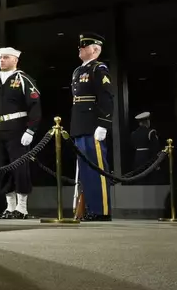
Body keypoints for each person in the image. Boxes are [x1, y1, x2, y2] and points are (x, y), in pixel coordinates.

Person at [0, 47, 41, 219]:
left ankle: (22, 208)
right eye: (0, 58)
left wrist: (31, 129)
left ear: (15, 60)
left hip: (18, 129)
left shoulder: (23, 79)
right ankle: (10, 207)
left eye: (6, 57)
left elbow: (35, 106)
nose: (2, 60)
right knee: (3, 168)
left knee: (20, 168)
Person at [70, 33, 114, 221]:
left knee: (97, 169)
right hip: (80, 123)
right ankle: (90, 208)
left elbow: (106, 96)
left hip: (93, 123)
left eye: (84, 45)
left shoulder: (99, 69)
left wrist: (104, 123)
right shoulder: (78, 71)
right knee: (85, 170)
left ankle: (101, 210)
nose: (80, 48)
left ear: (95, 49)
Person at [130, 112, 161, 182]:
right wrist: (156, 163)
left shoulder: (133, 133)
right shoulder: (151, 132)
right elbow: (155, 148)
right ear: (147, 121)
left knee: (139, 180)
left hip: (137, 158)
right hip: (148, 158)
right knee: (150, 179)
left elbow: (132, 146)